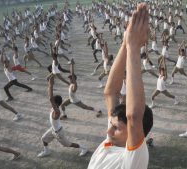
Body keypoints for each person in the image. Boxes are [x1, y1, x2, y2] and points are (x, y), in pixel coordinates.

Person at [88, 4, 153, 169]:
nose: (108, 131)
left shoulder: (133, 159)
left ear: (136, 132)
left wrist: (134, 47)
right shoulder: (112, 142)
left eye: (116, 128)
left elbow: (134, 116)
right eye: (112, 125)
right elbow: (110, 92)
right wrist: (125, 43)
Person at [37, 76, 88, 158]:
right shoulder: (54, 108)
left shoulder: (57, 111)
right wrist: (49, 85)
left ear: (56, 103)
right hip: (53, 130)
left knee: (68, 144)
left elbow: (50, 98)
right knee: (44, 138)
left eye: (53, 101)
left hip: (59, 133)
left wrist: (50, 85)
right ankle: (46, 151)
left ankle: (84, 147)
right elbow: (50, 98)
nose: (51, 102)